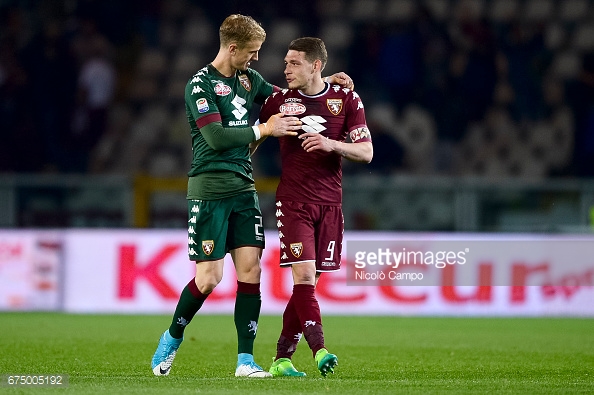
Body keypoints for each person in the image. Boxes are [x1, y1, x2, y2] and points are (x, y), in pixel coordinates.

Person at [150, 15, 354, 378]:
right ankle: (173, 335)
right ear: (233, 48)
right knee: (209, 279)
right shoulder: (200, 85)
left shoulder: (249, 80)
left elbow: (289, 99)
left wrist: (324, 83)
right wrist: (265, 127)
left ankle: (245, 361)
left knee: (251, 270)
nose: (257, 59)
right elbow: (214, 137)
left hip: (244, 189)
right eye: (252, 52)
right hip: (209, 190)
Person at [256, 37, 373, 377]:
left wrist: (330, 144)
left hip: (330, 204)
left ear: (315, 65)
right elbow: (256, 133)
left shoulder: (346, 97)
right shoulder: (278, 100)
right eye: (286, 62)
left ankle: (281, 359)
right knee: (304, 277)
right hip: (293, 201)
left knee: (307, 287)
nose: (286, 68)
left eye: (294, 63)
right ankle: (320, 350)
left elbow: (365, 153)